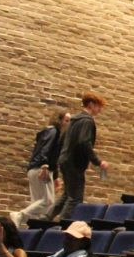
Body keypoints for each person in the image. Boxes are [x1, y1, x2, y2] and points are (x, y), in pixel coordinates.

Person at [45, 91, 108, 221]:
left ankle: (44, 219)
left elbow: (61, 141)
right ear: (91, 104)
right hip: (75, 163)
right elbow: (84, 142)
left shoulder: (73, 120)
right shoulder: (87, 121)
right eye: (98, 106)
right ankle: (63, 227)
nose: (100, 109)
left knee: (67, 194)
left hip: (64, 160)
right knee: (75, 198)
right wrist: (98, 161)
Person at [10, 109, 69, 228]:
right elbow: (46, 150)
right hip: (42, 169)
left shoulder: (46, 132)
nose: (68, 123)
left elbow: (52, 154)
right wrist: (45, 166)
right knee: (48, 201)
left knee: (37, 203)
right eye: (67, 120)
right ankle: (20, 215)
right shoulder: (54, 132)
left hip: (34, 169)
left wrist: (56, 177)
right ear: (60, 120)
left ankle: (31, 227)